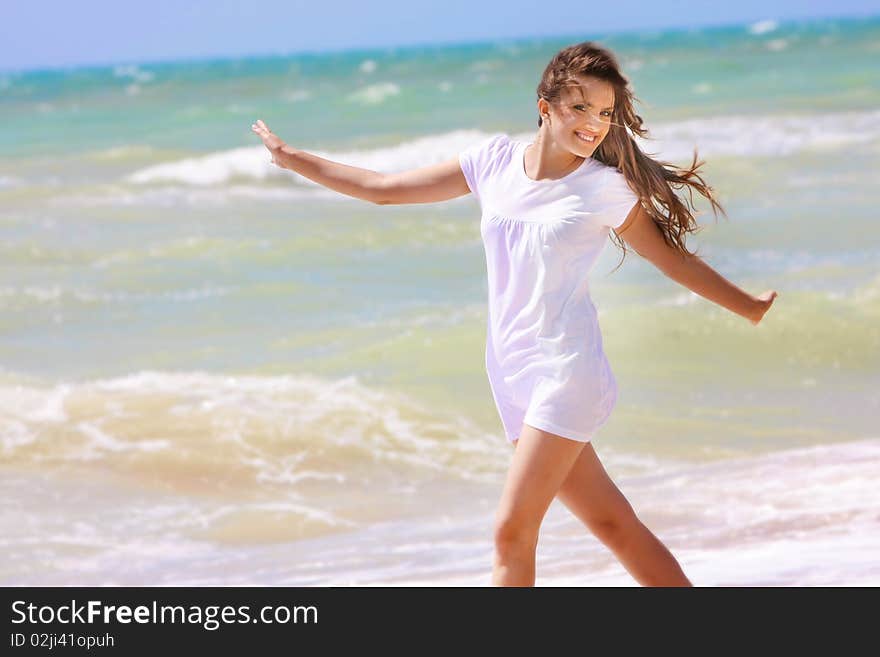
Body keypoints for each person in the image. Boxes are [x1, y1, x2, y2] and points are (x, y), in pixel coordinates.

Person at [251, 41, 778, 587]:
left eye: (603, 113)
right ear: (545, 106)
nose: (593, 124)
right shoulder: (492, 163)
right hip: (511, 372)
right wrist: (293, 160)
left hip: (565, 372)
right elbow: (384, 191)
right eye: (579, 108)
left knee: (511, 533)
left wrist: (748, 306)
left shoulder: (604, 189)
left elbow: (674, 261)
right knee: (612, 522)